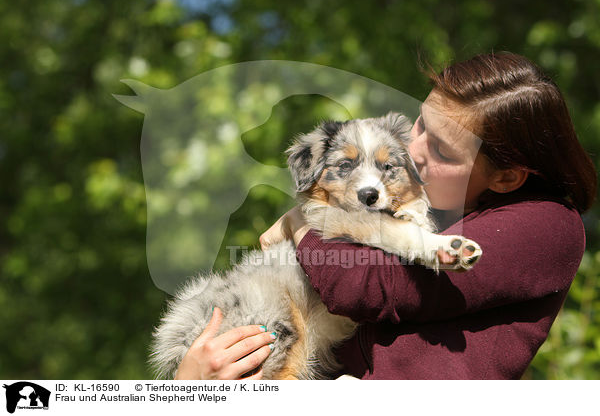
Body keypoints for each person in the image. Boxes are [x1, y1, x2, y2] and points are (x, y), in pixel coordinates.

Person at [174, 52, 596, 380]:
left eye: (443, 150)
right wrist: (188, 386)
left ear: (506, 178)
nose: (413, 150)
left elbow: (368, 285)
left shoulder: (548, 225)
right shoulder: (421, 205)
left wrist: (298, 224)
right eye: (421, 124)